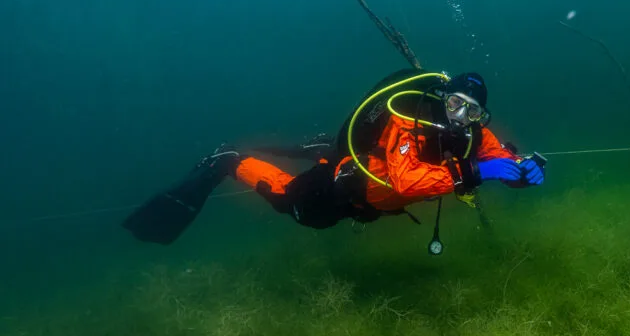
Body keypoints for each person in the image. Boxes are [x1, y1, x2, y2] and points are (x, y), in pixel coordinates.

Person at [122, 69, 546, 252]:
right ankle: (231, 161)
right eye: (455, 103)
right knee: (300, 207)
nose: (459, 117)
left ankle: (324, 146)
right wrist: (474, 171)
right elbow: (405, 182)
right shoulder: (408, 122)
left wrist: (523, 171)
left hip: (374, 197)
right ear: (442, 98)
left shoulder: (474, 135)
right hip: (351, 185)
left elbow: (499, 158)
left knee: (335, 174)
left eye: (471, 111)